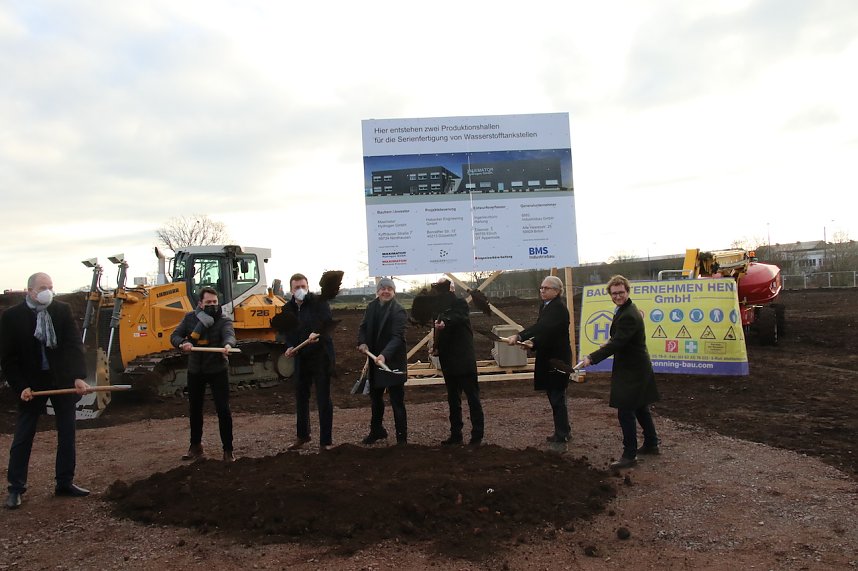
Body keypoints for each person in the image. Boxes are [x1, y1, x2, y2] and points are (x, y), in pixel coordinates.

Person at [2, 272, 91, 510]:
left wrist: (78, 377)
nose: (47, 291)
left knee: (67, 433)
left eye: (51, 286)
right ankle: (16, 488)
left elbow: (73, 345)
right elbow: (8, 359)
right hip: (31, 384)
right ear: (30, 290)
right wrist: (21, 386)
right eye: (43, 287)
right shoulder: (12, 317)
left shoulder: (60, 310)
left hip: (61, 379)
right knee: (23, 436)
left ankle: (65, 482)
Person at [582, 275, 660, 470]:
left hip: (632, 369)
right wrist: (611, 342)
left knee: (625, 411)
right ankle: (651, 444)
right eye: (614, 293)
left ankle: (629, 455)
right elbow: (620, 338)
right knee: (640, 406)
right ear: (610, 294)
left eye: (621, 292)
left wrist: (592, 358)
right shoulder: (626, 310)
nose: (618, 296)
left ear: (627, 291)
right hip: (636, 366)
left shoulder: (628, 315)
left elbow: (618, 342)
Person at [171, 286, 237, 462]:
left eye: (215, 302)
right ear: (200, 303)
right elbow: (175, 336)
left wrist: (228, 345)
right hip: (196, 371)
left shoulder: (223, 320)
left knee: (223, 410)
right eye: (208, 302)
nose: (212, 305)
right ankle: (195, 446)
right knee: (195, 409)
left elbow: (229, 335)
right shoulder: (190, 318)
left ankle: (228, 450)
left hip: (217, 370)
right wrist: (182, 343)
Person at [507, 275, 572, 444]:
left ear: (557, 291)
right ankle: (563, 431)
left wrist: (522, 336)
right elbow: (545, 332)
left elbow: (546, 329)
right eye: (541, 288)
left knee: (557, 396)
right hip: (549, 357)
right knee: (554, 395)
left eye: (546, 288)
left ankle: (562, 433)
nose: (542, 290)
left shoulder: (558, 308)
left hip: (557, 359)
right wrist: (533, 342)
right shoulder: (546, 306)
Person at [282, 273, 335, 452]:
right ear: (291, 290)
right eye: (297, 287)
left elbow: (328, 323)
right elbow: (287, 333)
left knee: (323, 399)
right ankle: (302, 436)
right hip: (301, 357)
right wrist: (290, 346)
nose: (300, 290)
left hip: (321, 356)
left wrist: (317, 332)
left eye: (303, 286)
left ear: (308, 286)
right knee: (301, 398)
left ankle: (325, 441)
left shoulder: (319, 303)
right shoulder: (287, 309)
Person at [433, 279, 484, 446]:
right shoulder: (439, 307)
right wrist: (435, 346)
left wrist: (445, 322)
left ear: (451, 291)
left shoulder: (460, 304)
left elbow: (458, 317)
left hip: (463, 360)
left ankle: (477, 435)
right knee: (453, 399)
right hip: (448, 360)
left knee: (472, 398)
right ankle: (456, 434)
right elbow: (438, 329)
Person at [357, 278, 408, 445]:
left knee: (397, 401)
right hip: (374, 360)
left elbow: (397, 338)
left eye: (389, 289)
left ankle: (402, 439)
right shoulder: (371, 307)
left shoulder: (399, 311)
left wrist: (384, 355)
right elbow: (363, 328)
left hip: (392, 363)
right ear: (377, 291)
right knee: (376, 399)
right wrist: (362, 342)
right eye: (383, 288)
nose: (386, 291)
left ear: (394, 292)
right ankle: (377, 431)